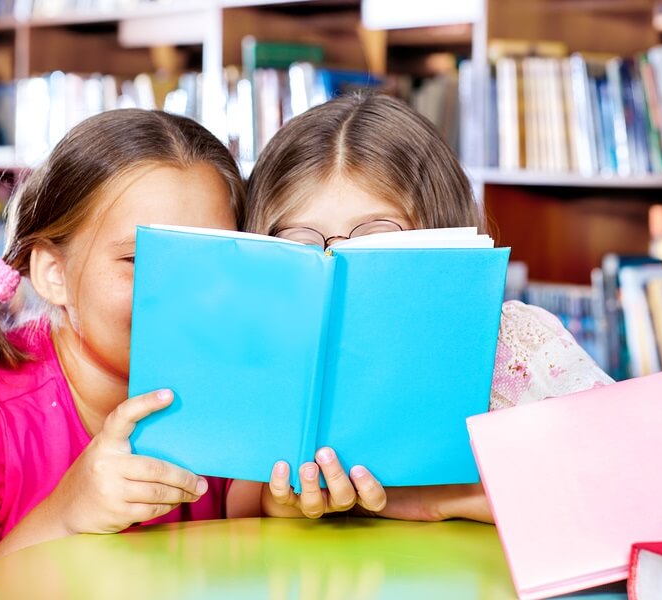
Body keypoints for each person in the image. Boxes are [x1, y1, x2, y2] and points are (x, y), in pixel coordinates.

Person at [0, 109, 385, 598]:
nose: (185, 295)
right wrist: (65, 516)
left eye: (212, 259)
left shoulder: (244, 397)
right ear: (53, 274)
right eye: (140, 259)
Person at [246, 92, 614, 523]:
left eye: (376, 238)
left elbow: (620, 479)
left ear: (441, 229)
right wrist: (284, 504)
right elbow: (245, 510)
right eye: (305, 246)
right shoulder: (270, 354)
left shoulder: (516, 340)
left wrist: (442, 498)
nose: (343, 266)